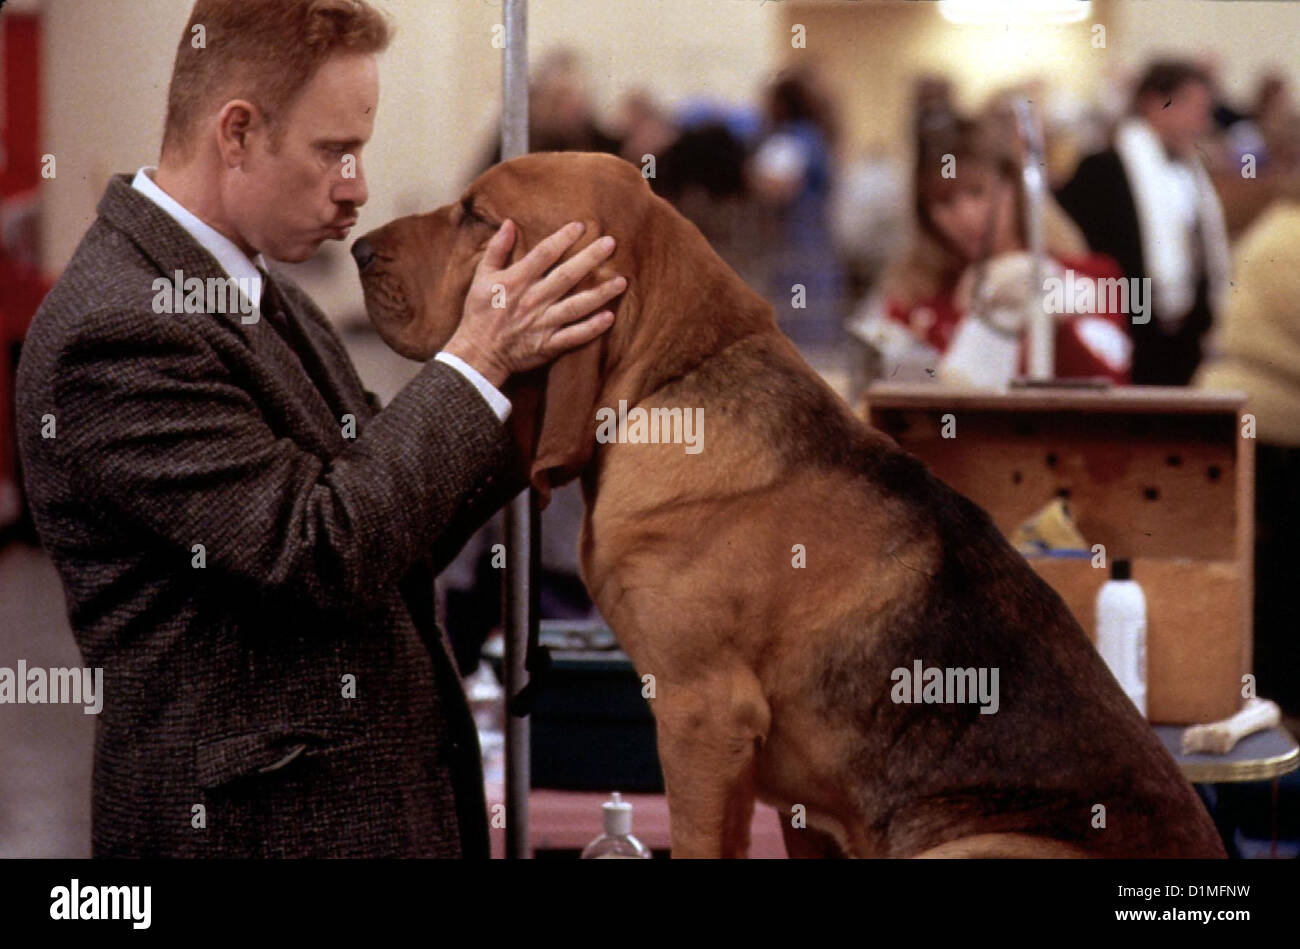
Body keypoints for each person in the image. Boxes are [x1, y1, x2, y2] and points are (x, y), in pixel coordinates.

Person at [14, 0, 623, 858]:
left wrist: (539, 400)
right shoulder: (115, 329)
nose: (357, 188)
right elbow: (319, 549)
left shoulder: (267, 294)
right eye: (335, 151)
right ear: (237, 133)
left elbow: (396, 530)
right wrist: (480, 356)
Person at [848, 117, 1131, 390]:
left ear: (1013, 188)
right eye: (944, 201)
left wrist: (1053, 326)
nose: (965, 216)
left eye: (977, 192)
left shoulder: (1092, 275)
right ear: (925, 214)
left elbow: (1111, 387)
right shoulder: (914, 297)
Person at [1057, 60, 1231, 386]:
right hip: (1133, 331)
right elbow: (1086, 257)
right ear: (1155, 103)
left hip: (1185, 340)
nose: (1202, 122)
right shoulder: (1102, 168)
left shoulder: (1190, 171)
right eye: (1194, 108)